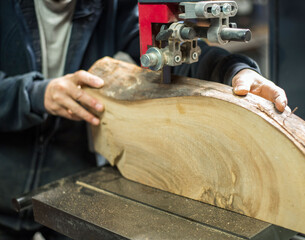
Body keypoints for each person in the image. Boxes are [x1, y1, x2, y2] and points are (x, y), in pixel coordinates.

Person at [0, 0, 287, 239]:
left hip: (70, 185)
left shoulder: (108, 7)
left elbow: (170, 49)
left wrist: (233, 70)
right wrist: (35, 94)